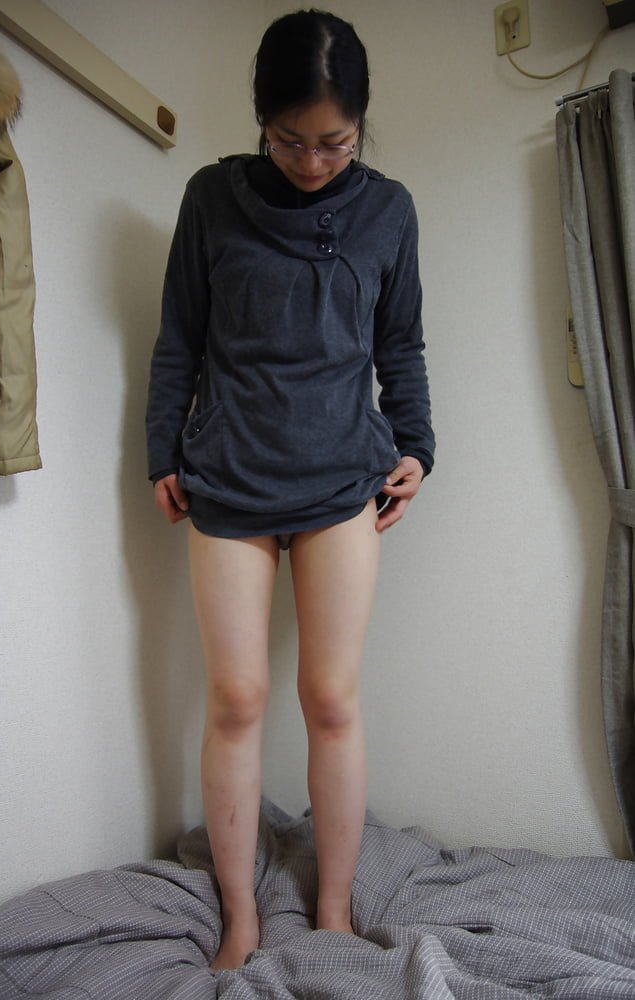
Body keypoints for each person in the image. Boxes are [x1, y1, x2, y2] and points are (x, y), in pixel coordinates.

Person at [146, 8, 435, 971]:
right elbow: (179, 339)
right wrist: (160, 452)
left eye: (334, 142)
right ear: (260, 120)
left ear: (360, 126)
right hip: (228, 472)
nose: (312, 161)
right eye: (289, 139)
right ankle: (240, 916)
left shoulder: (388, 210)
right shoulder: (211, 197)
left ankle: (335, 909)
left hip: (341, 478)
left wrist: (417, 446)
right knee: (235, 697)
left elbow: (399, 344)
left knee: (330, 698)